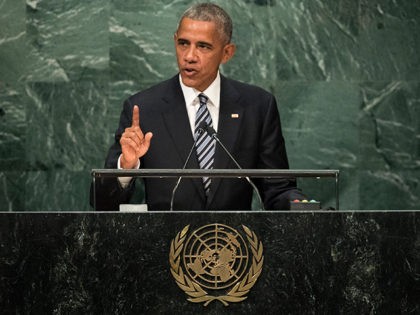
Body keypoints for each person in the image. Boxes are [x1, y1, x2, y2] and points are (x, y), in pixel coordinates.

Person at [92, 3, 306, 211]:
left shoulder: (257, 106)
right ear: (174, 41)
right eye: (183, 43)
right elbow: (101, 203)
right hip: (166, 243)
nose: (189, 56)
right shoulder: (144, 109)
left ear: (227, 53)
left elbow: (277, 189)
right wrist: (125, 168)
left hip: (234, 244)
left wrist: (305, 209)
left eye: (203, 46)